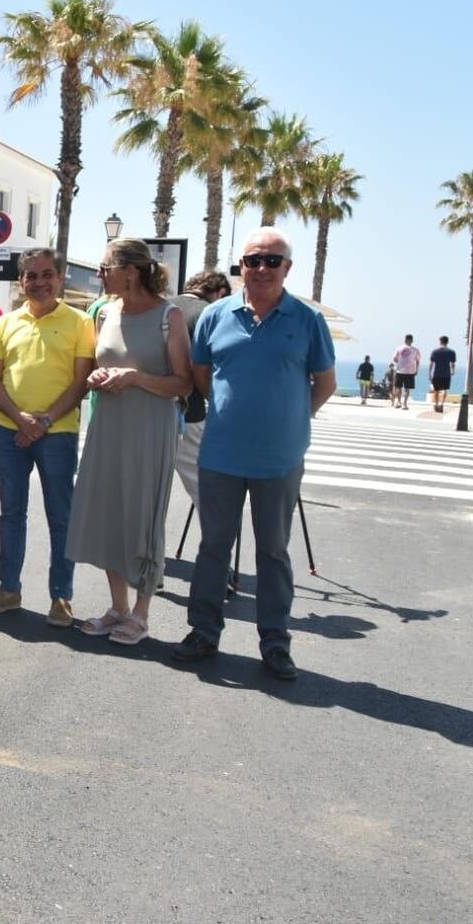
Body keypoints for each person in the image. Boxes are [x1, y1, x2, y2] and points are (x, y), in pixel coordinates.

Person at [173, 228, 336, 680]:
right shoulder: (215, 315)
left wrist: (292, 418)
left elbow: (325, 383)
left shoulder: (307, 319)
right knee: (213, 548)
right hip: (221, 453)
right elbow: (202, 373)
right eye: (252, 260)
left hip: (279, 459)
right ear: (240, 266)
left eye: (272, 260)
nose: (262, 268)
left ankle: (275, 642)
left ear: (288, 267)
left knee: (273, 552)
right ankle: (203, 632)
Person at [69, 240, 193, 645]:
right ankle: (118, 607)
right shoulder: (104, 312)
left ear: (131, 271)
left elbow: (183, 383)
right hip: (107, 426)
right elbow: (97, 365)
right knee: (109, 512)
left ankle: (141, 612)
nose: (99, 274)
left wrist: (136, 378)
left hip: (150, 429)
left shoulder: (169, 316)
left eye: (105, 267)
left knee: (143, 516)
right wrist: (97, 377)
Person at [0, 248, 95, 625]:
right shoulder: (5, 323)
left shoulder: (81, 322)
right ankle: (8, 589)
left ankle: (61, 597)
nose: (39, 282)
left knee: (61, 517)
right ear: (21, 281)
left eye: (47, 274)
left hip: (58, 434)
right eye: (31, 275)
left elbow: (81, 382)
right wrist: (20, 418)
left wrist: (42, 422)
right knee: (11, 515)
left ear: (60, 279)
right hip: (10, 431)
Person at [170, 271, 231, 509]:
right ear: (220, 293)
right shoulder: (210, 313)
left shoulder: (161, 307)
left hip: (151, 411)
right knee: (207, 493)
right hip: (189, 412)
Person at [391, 334, 421, 410]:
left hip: (400, 371)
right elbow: (418, 361)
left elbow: (394, 359)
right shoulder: (415, 350)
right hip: (410, 372)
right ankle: (404, 404)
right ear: (412, 340)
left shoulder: (399, 348)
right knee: (407, 388)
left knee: (398, 387)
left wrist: (401, 362)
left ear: (405, 340)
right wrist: (416, 370)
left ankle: (398, 402)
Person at [428, 335, 456, 413]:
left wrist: (430, 373)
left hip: (437, 374)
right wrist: (453, 371)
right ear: (447, 342)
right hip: (446, 374)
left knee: (436, 390)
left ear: (440, 341)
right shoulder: (451, 352)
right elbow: (453, 363)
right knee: (444, 390)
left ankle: (436, 404)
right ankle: (441, 404)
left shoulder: (435, 351)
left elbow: (431, 363)